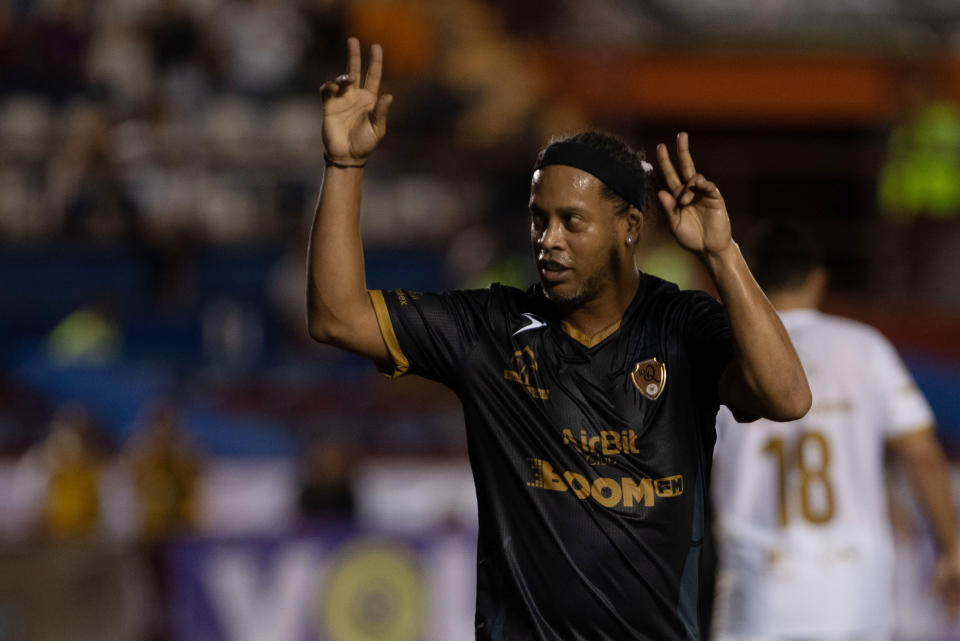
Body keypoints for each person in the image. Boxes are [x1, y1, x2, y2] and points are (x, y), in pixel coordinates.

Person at [307, 38, 811, 640]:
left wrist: (723, 254)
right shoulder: (489, 329)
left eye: (571, 221)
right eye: (537, 219)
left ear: (629, 227)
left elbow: (788, 398)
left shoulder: (682, 325)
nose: (548, 239)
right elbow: (336, 316)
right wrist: (344, 166)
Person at [710, 220, 960, 641]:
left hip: (759, 594)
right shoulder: (866, 348)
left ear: (749, 276)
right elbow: (921, 455)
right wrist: (950, 548)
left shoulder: (724, 350)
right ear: (818, 278)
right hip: (853, 596)